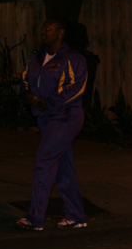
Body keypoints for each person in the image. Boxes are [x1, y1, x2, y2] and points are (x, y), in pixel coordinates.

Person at [15, 18, 89, 231]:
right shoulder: (36, 58)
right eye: (43, 27)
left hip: (66, 117)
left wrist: (48, 102)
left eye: (48, 28)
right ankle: (76, 215)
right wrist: (28, 96)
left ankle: (34, 218)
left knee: (44, 162)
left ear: (60, 33)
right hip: (46, 117)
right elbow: (25, 81)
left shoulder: (73, 58)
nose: (43, 31)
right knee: (63, 167)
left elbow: (77, 89)